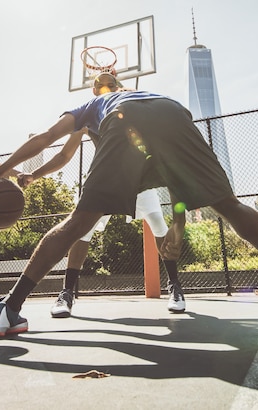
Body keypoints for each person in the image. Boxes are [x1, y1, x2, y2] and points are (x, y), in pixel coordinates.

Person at [0, 72, 258, 336]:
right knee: (228, 205)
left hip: (124, 129)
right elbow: (179, 188)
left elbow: (47, 138)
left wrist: (1, 172)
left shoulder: (94, 105)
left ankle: (9, 308)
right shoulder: (144, 92)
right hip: (175, 115)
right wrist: (179, 225)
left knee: (77, 224)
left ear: (100, 89)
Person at [17, 126, 186, 317]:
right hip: (106, 183)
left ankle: (175, 286)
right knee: (82, 231)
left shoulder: (135, 111)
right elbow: (64, 155)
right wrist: (34, 175)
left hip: (141, 183)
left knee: (158, 224)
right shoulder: (90, 116)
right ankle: (67, 292)